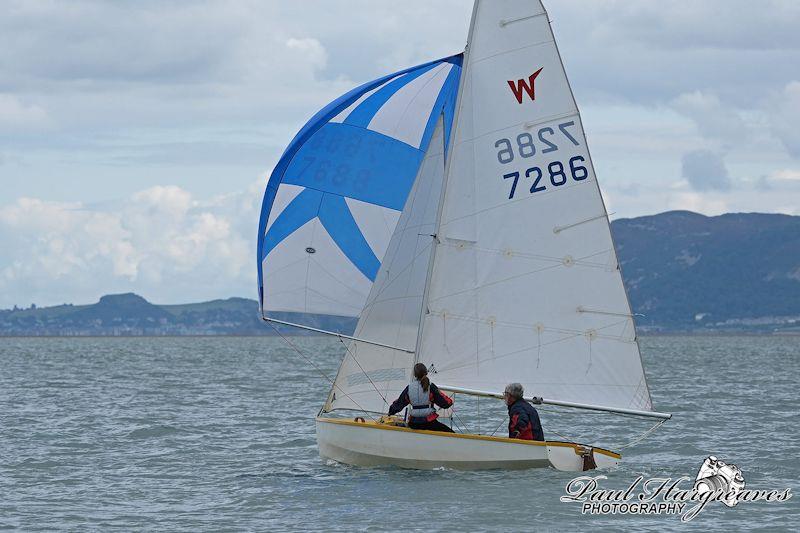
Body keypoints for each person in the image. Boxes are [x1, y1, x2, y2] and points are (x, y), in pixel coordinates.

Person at [388, 363, 454, 432]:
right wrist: (449, 402)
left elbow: (399, 403)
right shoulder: (431, 386)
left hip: (413, 424)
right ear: (426, 372)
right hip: (429, 423)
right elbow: (445, 403)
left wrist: (390, 412)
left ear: (415, 375)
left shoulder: (409, 388)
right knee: (452, 435)